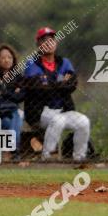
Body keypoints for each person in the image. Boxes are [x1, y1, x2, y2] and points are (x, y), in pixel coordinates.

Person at [22, 27, 91, 164]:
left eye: (51, 40)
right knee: (58, 121)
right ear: (38, 44)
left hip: (63, 110)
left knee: (83, 122)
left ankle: (79, 158)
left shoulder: (64, 62)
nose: (48, 43)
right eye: (44, 40)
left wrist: (48, 81)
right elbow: (37, 88)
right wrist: (60, 81)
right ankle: (47, 157)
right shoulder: (31, 63)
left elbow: (72, 84)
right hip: (39, 111)